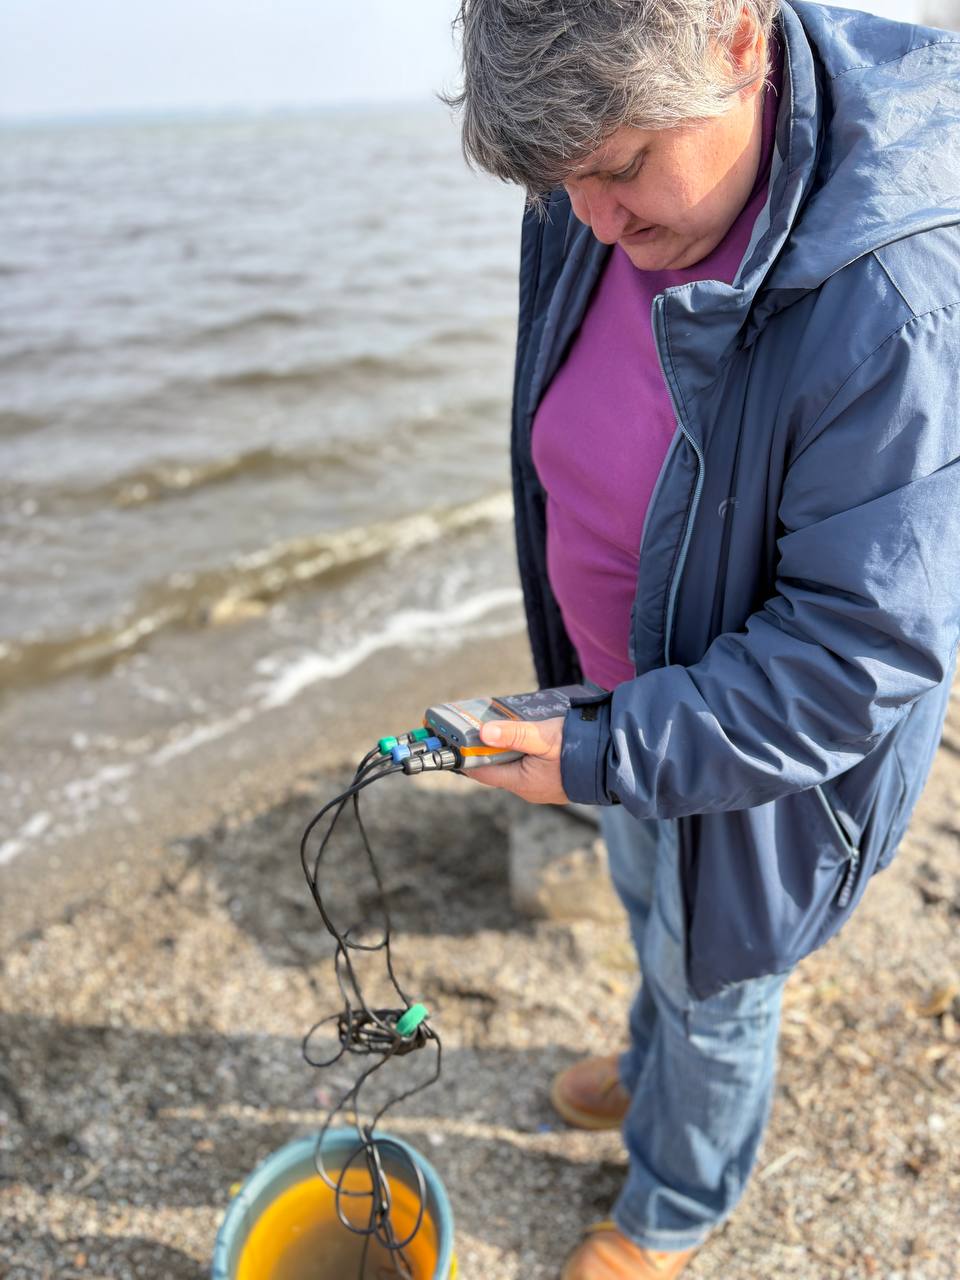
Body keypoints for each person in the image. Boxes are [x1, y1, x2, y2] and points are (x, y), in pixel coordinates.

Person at [445, 1, 960, 1276]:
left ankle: (673, 1204)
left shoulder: (894, 295)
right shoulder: (593, 191)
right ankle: (647, 1053)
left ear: (738, 41)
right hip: (619, 702)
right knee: (648, 903)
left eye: (622, 167)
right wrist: (599, 734)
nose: (593, 224)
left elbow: (850, 654)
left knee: (720, 979)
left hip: (754, 761)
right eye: (562, 187)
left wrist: (605, 748)